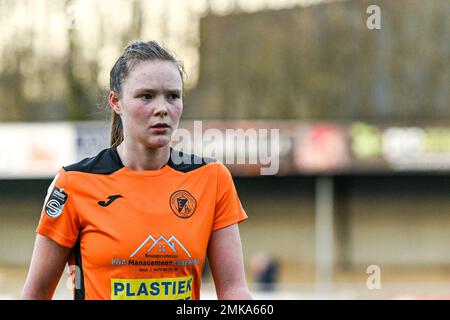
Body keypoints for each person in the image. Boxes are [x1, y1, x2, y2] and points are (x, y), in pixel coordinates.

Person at [20, 41, 252, 300]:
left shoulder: (212, 178)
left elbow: (234, 290)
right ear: (116, 102)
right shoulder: (73, 183)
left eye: (173, 96)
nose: (162, 108)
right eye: (146, 96)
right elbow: (36, 294)